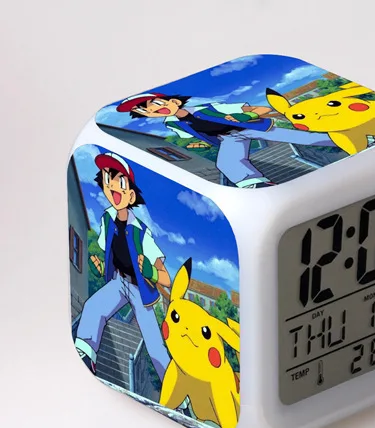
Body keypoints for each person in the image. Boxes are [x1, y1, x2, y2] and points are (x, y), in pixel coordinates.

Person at [74, 151, 171, 381]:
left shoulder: (141, 233)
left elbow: (166, 278)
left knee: (155, 347)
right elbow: (109, 254)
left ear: (131, 194)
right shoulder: (107, 219)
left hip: (140, 290)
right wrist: (100, 266)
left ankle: (177, 392)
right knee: (93, 307)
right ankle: (86, 355)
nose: (112, 186)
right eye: (108, 179)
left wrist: (149, 270)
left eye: (120, 182)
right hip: (118, 282)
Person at [116, 93, 336, 188]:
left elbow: (256, 109)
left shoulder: (209, 107)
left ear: (173, 101)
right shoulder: (172, 124)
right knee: (227, 162)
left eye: (155, 104)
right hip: (228, 138)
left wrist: (247, 115)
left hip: (249, 126)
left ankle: (338, 139)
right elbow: (193, 137)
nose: (154, 110)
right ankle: (256, 184)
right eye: (146, 111)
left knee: (298, 137)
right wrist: (197, 145)